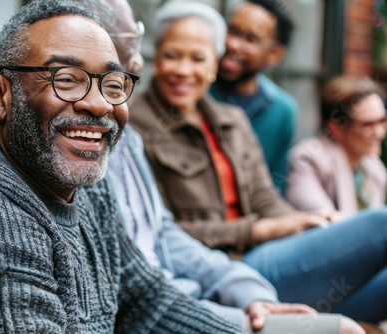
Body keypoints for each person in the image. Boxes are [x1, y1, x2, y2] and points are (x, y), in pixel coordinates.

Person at [0, 1, 249, 333]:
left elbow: (143, 299)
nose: (98, 104)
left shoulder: (86, 179)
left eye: (112, 83)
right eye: (66, 80)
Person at [129, 0, 387, 327]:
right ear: (156, 57)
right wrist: (257, 229)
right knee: (382, 225)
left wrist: (305, 223)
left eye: (197, 58)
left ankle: (316, 317)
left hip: (271, 254)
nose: (183, 69)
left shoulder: (232, 120)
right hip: (228, 267)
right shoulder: (136, 126)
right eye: (171, 55)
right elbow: (158, 231)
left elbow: (265, 198)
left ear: (213, 64)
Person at [209, 0, 297, 194]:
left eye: (250, 39)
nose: (232, 44)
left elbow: (275, 187)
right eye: (231, 31)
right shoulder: (196, 91)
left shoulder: (283, 110)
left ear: (274, 54)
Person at [286, 75, 387, 217]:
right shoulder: (308, 159)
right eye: (367, 125)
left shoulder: (374, 168)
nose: (380, 132)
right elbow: (323, 222)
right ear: (336, 128)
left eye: (383, 121)